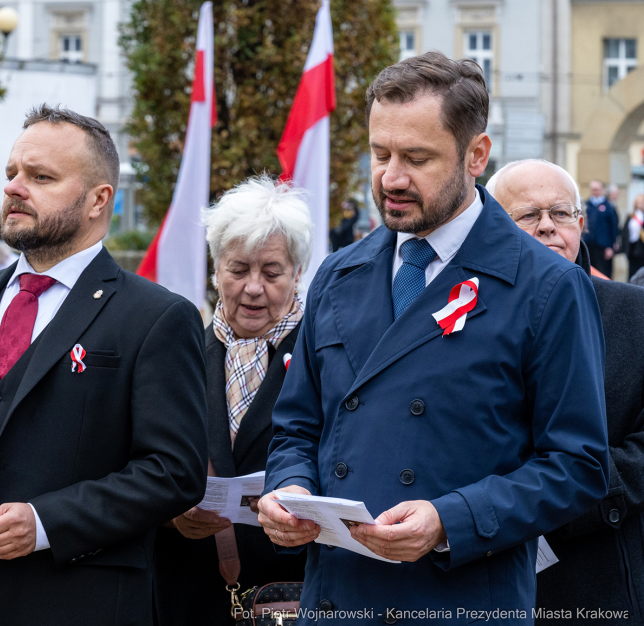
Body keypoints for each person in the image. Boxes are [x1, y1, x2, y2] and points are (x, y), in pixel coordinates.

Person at [258, 52, 609, 623]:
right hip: (337, 598)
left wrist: (451, 520)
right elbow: (296, 427)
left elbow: (579, 465)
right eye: (380, 155)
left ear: (476, 155)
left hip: (460, 601)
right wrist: (289, 492)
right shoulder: (338, 274)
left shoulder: (548, 286)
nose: (391, 178)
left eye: (416, 158)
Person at [0, 105, 208, 626]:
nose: (14, 187)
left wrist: (45, 522)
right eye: (12, 172)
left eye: (41, 177)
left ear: (99, 200)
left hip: (81, 604)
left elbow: (174, 472)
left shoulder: (156, 317)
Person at [487, 159, 644, 624]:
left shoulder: (633, 314)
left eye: (560, 214)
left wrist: (563, 498)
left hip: (598, 570)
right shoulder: (460, 317)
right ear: (492, 227)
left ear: (581, 224)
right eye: (528, 215)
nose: (547, 228)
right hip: (485, 570)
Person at [153, 176, 312, 625]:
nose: (254, 287)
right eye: (238, 269)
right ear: (215, 270)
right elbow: (138, 461)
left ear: (298, 273)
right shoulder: (173, 351)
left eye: (272, 271)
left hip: (290, 592)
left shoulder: (328, 358)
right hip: (190, 592)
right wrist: (172, 515)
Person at [584, 179, 619, 278]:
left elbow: (614, 227)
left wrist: (610, 246)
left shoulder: (609, 206)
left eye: (597, 189)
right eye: (593, 189)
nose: (595, 191)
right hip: (588, 245)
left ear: (602, 190)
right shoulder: (586, 205)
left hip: (603, 247)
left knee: (603, 273)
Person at [622, 193, 644, 280]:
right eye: (638, 203)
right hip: (632, 249)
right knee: (632, 273)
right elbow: (625, 233)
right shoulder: (630, 216)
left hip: (642, 249)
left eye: (641, 203)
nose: (640, 205)